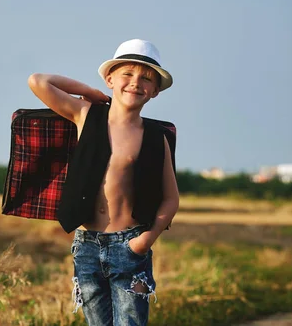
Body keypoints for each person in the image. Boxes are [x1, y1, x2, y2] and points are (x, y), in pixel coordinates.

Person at [27, 38, 179, 326]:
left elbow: (171, 198)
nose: (136, 82)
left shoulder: (156, 136)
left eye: (146, 78)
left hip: (130, 245)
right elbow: (38, 81)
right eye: (127, 74)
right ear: (111, 79)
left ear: (155, 91)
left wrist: (145, 241)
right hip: (86, 247)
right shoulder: (86, 115)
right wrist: (89, 92)